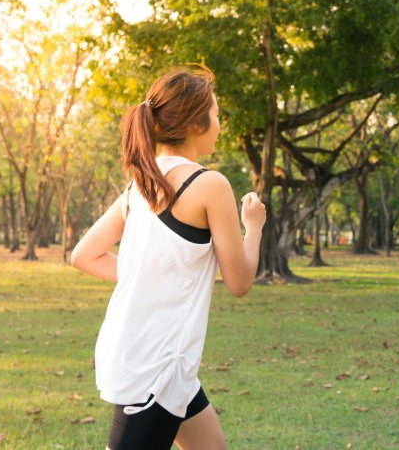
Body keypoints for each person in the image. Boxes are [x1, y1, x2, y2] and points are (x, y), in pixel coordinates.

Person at [70, 64, 266, 450]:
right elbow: (240, 282)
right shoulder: (209, 184)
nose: (219, 123)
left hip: (159, 362)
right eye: (216, 114)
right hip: (154, 369)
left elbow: (84, 255)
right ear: (196, 123)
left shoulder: (140, 184)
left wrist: (147, 276)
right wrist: (254, 226)